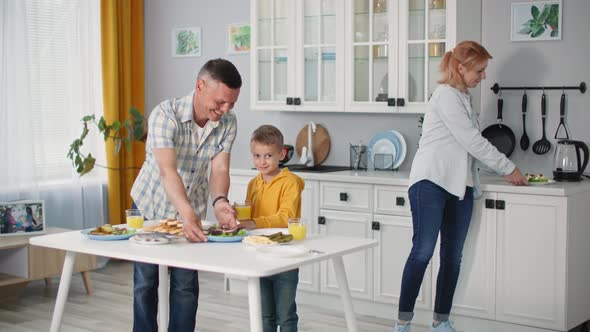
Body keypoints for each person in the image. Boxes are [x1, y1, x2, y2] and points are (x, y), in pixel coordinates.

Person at [394, 41, 528, 332]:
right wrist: (508, 168)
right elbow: (471, 141)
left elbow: (465, 150)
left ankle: (441, 322)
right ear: (461, 67)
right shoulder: (445, 96)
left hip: (459, 187)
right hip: (430, 182)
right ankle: (402, 322)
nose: (483, 76)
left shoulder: (464, 97)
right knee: (423, 251)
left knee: (452, 257)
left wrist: (478, 181)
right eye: (479, 70)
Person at [130, 58, 242, 332]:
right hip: (151, 205)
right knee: (146, 281)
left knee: (185, 283)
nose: (225, 109)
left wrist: (220, 202)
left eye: (232, 103)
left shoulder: (227, 121)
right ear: (200, 86)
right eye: (220, 102)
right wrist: (187, 214)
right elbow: (168, 171)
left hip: (193, 203)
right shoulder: (164, 115)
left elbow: (219, 168)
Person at [237, 125, 305, 332]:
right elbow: (249, 216)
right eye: (257, 155)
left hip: (284, 253)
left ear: (281, 154)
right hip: (259, 253)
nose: (262, 161)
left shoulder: (290, 183)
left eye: (268, 155)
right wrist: (235, 213)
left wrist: (255, 222)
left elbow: (286, 218)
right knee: (264, 314)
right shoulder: (253, 183)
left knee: (285, 315)